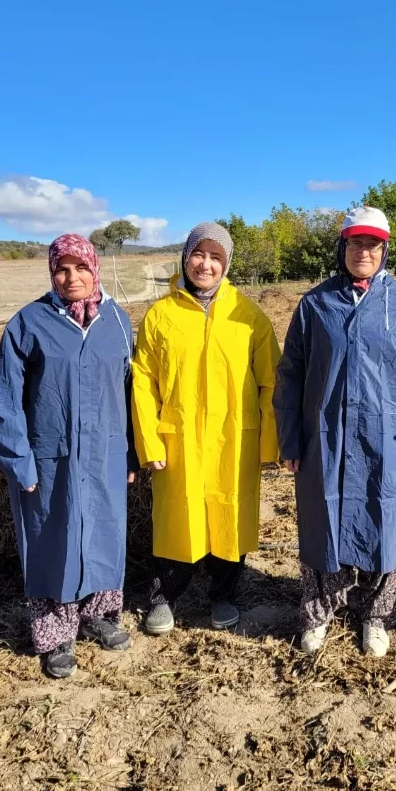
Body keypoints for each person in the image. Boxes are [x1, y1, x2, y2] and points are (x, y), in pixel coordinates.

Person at [273, 206, 396, 658]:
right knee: (322, 522)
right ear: (342, 247)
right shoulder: (316, 304)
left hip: (391, 440)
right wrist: (291, 440)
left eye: (372, 244)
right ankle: (318, 613)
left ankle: (376, 616)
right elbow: (290, 375)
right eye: (355, 243)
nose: (363, 252)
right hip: (327, 437)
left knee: (388, 523)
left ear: (385, 249)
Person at [0, 234, 138, 679]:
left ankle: (99, 616)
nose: (71, 277)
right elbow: (4, 398)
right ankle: (55, 636)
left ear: (96, 268)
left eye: (80, 267)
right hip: (50, 459)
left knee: (105, 535)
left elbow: (131, 394)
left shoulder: (117, 321)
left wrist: (130, 452)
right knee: (53, 540)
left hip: (107, 454)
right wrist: (19, 459)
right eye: (61, 268)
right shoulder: (29, 323)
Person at [131, 222, 281, 633]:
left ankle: (223, 594)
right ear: (185, 257)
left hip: (234, 440)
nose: (206, 264)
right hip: (177, 439)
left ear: (227, 263)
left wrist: (268, 444)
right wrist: (150, 443)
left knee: (229, 517)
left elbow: (272, 380)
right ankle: (165, 597)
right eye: (199, 254)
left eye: (216, 257)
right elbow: (143, 383)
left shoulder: (247, 315)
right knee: (177, 518)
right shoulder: (160, 315)